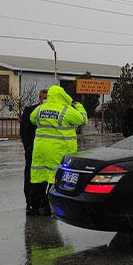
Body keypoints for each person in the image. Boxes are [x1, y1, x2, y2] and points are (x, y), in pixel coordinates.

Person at [30, 85, 88, 215]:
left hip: (40, 149)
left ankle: (39, 205)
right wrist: (79, 106)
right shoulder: (66, 110)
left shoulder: (41, 108)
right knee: (55, 178)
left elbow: (32, 119)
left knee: (40, 177)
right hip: (58, 149)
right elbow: (83, 120)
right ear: (63, 96)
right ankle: (49, 207)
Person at [20, 89, 48, 216]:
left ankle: (43, 202)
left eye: (47, 98)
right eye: (44, 98)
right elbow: (24, 131)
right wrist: (28, 147)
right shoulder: (30, 110)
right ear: (39, 98)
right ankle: (31, 203)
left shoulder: (52, 112)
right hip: (33, 151)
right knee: (30, 177)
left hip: (47, 152)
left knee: (45, 178)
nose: (45, 100)